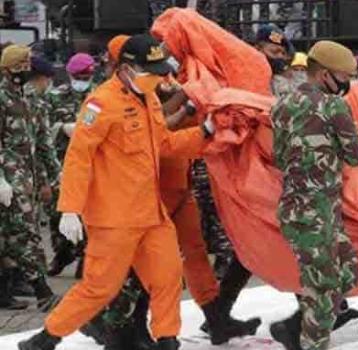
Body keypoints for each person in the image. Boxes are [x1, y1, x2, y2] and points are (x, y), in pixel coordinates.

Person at [18, 34, 215, 350]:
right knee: (99, 287)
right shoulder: (101, 103)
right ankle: (46, 338)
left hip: (151, 213)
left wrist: (203, 133)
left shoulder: (148, 97)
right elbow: (78, 156)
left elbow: (164, 144)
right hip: (115, 218)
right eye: (151, 71)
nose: (159, 77)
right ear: (126, 68)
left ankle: (167, 339)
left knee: (168, 276)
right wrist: (69, 207)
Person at [268, 40, 358, 350]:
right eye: (343, 75)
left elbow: (280, 157)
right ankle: (310, 341)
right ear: (324, 74)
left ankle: (296, 328)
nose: (346, 82)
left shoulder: (282, 104)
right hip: (316, 214)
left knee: (348, 272)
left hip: (305, 212)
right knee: (322, 289)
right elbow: (355, 155)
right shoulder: (333, 105)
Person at [0, 44, 60, 312]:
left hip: (27, 174)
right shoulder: (2, 97)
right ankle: (42, 290)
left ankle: (7, 287)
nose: (26, 71)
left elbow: (42, 143)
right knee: (24, 232)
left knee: (9, 233)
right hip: (9, 174)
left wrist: (54, 178)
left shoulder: (27, 97)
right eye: (21, 66)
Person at [47, 52, 98, 278]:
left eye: (85, 76)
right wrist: (62, 127)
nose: (81, 81)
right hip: (61, 161)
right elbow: (41, 126)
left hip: (91, 163)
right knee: (58, 213)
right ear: (69, 74)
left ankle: (85, 258)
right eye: (78, 76)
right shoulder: (55, 97)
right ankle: (62, 252)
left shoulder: (100, 95)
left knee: (89, 212)